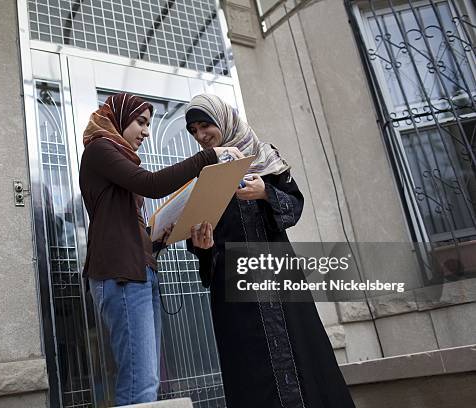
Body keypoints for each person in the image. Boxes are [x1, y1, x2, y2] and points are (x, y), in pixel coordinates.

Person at [185, 94, 356, 408]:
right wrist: (203, 246)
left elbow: (296, 205)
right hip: (235, 294)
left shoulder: (265, 158)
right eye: (193, 130)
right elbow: (201, 237)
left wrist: (266, 192)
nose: (200, 135)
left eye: (205, 125)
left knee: (303, 356)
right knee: (250, 371)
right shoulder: (203, 175)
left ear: (223, 120)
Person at [78, 92, 242, 406]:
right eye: (140, 122)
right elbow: (151, 184)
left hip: (138, 271)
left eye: (149, 124)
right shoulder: (99, 148)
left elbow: (122, 221)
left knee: (147, 382)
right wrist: (209, 157)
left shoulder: (118, 159)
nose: (146, 131)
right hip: (121, 273)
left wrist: (156, 239)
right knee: (140, 384)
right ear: (119, 118)